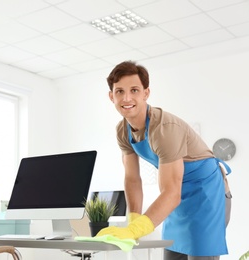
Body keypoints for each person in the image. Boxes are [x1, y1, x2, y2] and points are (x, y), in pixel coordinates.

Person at [96, 61, 232, 260]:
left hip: (206, 194)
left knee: (200, 254)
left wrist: (136, 230)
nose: (126, 98)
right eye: (119, 91)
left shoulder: (164, 128)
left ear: (146, 93)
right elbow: (132, 179)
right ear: (111, 96)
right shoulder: (122, 131)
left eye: (134, 90)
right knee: (172, 254)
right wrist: (133, 222)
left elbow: (171, 193)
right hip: (175, 193)